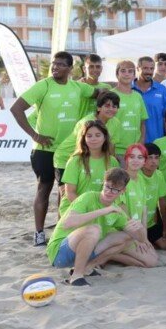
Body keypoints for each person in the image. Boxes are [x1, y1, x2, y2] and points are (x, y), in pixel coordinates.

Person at [10, 51, 99, 245]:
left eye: (60, 64)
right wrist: (35, 135)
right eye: (53, 64)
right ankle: (39, 233)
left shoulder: (78, 87)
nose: (55, 67)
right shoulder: (43, 86)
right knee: (44, 189)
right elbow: (16, 109)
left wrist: (117, 86)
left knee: (65, 193)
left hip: (69, 151)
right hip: (44, 150)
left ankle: (60, 233)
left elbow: (99, 92)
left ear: (70, 68)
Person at [46, 168, 146, 286]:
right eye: (107, 187)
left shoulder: (116, 210)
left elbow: (140, 238)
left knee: (126, 237)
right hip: (59, 253)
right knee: (94, 229)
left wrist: (139, 228)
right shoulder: (88, 197)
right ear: (103, 184)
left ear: (122, 191)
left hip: (83, 253)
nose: (109, 192)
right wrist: (104, 211)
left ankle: (87, 268)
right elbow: (68, 222)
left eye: (115, 190)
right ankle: (76, 276)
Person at [53, 91, 121, 183]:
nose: (111, 109)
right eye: (107, 106)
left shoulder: (116, 123)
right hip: (66, 157)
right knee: (65, 192)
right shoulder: (86, 122)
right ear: (99, 107)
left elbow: (111, 147)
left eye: (114, 106)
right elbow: (80, 146)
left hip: (86, 158)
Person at [58, 119, 120, 217]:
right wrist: (90, 210)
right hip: (75, 208)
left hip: (101, 209)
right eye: (89, 136)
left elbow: (116, 190)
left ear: (105, 138)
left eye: (98, 135)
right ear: (84, 139)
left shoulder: (112, 161)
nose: (93, 139)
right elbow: (70, 193)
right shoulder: (75, 160)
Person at [112, 144, 160, 268]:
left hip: (136, 230)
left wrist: (144, 237)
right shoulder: (121, 179)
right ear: (126, 159)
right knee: (151, 262)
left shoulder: (141, 179)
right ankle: (110, 255)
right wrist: (136, 237)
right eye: (132, 156)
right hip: (122, 230)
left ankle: (114, 254)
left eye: (140, 157)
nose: (135, 160)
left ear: (144, 161)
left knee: (153, 256)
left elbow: (143, 210)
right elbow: (122, 212)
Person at [140, 143, 166, 250]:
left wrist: (164, 228)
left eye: (156, 157)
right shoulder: (135, 176)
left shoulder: (159, 174)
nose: (154, 161)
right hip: (136, 225)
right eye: (149, 157)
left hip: (150, 224)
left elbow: (162, 201)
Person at [111, 60, 148, 157]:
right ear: (117, 74)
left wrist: (141, 142)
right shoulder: (110, 95)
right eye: (123, 71)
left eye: (130, 71)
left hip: (135, 150)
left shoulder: (138, 96)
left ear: (134, 75)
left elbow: (142, 122)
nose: (126, 74)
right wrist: (111, 151)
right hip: (116, 150)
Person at [132, 56, 166, 144]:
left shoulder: (162, 90)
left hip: (157, 142)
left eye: (151, 68)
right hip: (132, 143)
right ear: (137, 68)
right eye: (145, 68)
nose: (149, 72)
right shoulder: (129, 89)